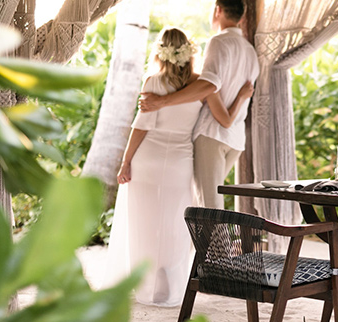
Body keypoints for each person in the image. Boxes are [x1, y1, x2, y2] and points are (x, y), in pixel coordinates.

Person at [106, 26, 253, 307]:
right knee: (176, 224)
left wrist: (126, 163)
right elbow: (225, 120)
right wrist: (242, 97)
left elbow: (140, 127)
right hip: (180, 162)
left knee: (144, 225)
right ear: (188, 52)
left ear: (160, 51)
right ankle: (171, 289)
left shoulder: (153, 82)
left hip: (147, 160)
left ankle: (145, 288)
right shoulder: (200, 85)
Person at [139, 0, 260, 210]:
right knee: (204, 202)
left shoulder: (218, 41)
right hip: (235, 139)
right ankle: (205, 245)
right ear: (241, 17)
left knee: (208, 207)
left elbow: (208, 85)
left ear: (218, 11)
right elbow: (242, 92)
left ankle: (216, 246)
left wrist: (162, 102)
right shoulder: (250, 51)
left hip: (212, 135)